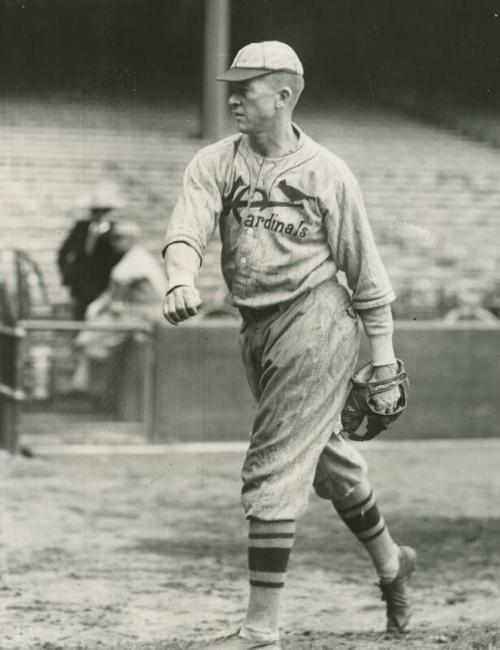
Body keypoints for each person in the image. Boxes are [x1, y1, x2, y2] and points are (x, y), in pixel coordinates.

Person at [162, 41, 416, 649]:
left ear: (282, 95)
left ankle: (260, 630)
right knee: (327, 462)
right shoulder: (215, 162)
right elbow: (186, 230)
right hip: (257, 327)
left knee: (273, 463)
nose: (232, 96)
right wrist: (177, 277)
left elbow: (368, 276)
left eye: (245, 87)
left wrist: (382, 359)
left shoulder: (328, 173)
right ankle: (391, 561)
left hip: (318, 318)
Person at [70, 219, 165, 392]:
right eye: (114, 239)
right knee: (90, 336)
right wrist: (99, 306)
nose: (115, 243)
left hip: (146, 315)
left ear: (130, 238)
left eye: (119, 239)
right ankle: (88, 389)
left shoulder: (137, 259)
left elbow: (120, 294)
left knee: (89, 338)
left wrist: (106, 307)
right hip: (132, 314)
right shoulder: (129, 258)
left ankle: (86, 389)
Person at [57, 181, 126, 320]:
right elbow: (63, 253)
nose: (99, 214)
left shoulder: (114, 232)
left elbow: (118, 259)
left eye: (103, 210)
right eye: (95, 211)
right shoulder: (81, 227)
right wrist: (67, 276)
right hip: (79, 285)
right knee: (78, 319)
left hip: (102, 287)